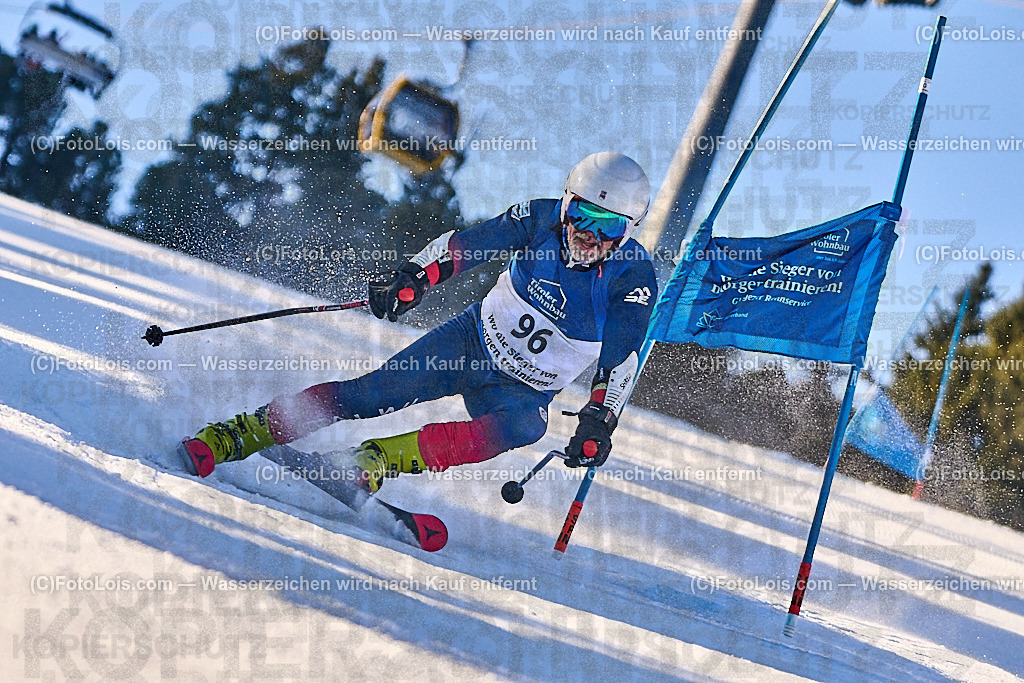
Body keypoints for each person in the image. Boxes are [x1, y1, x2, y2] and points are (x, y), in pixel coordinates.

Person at [179, 152, 658, 493]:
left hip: (524, 392)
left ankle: (374, 461)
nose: (589, 235)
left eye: (608, 226)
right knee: (369, 395)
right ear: (566, 203)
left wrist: (600, 416)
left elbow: (621, 358)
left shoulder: (633, 275)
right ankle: (240, 432)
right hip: (470, 343)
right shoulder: (538, 218)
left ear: (629, 229)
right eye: (582, 215)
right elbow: (467, 245)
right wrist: (414, 277)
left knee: (524, 429)